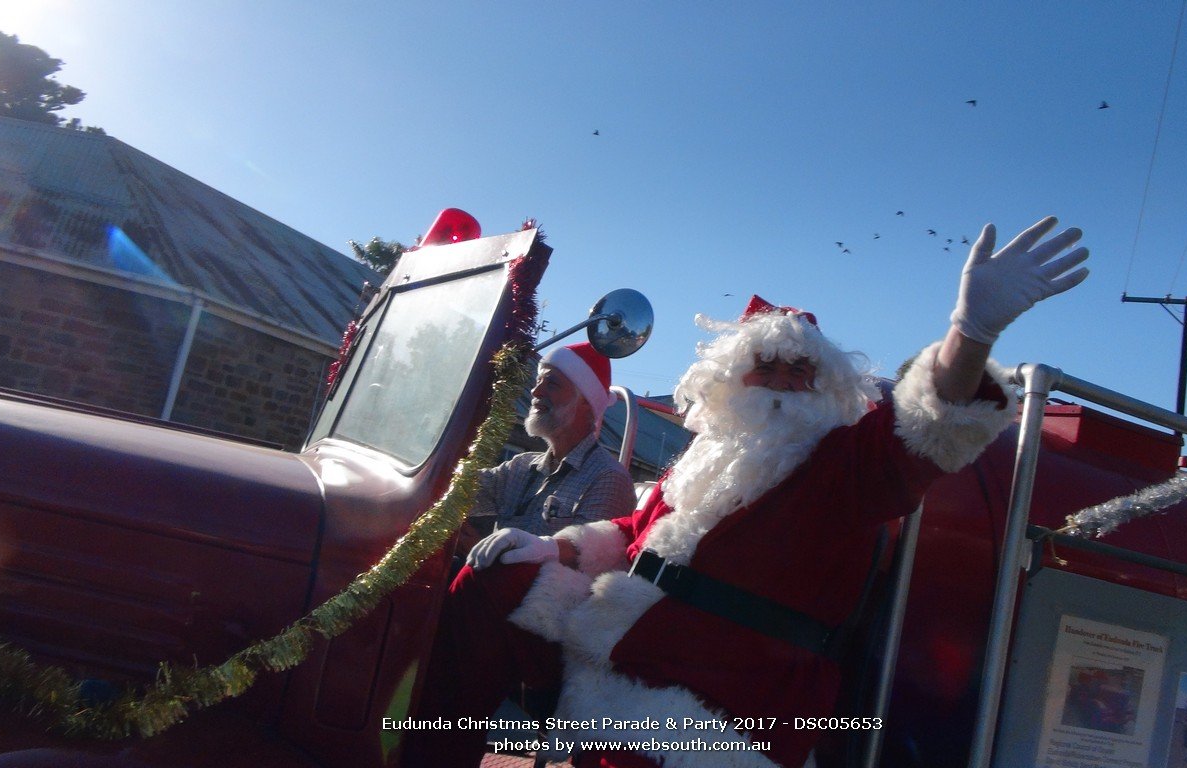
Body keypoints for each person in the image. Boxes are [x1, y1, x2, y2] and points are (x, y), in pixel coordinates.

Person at [402, 216, 1090, 768]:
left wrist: (968, 334)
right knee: (484, 588)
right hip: (621, 640)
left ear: (827, 390)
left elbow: (922, 431)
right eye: (767, 367)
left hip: (719, 702)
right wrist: (549, 547)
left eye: (802, 372)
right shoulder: (701, 461)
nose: (785, 381)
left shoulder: (837, 467)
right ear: (733, 381)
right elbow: (631, 534)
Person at [458, 341, 636, 554]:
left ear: (586, 401)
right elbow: (460, 489)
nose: (535, 391)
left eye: (551, 383)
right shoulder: (521, 466)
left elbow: (577, 570)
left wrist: (483, 554)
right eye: (538, 381)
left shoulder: (608, 479)